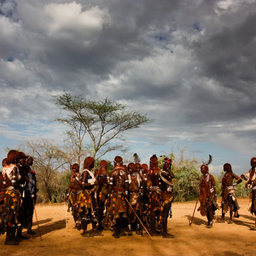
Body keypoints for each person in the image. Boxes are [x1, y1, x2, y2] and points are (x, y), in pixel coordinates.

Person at [2, 150, 22, 245]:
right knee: (12, 215)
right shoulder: (14, 168)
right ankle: (9, 238)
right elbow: (13, 183)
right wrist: (22, 186)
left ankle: (10, 236)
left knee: (9, 214)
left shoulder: (4, 168)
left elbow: (4, 182)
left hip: (7, 194)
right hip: (13, 194)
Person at [77, 156, 98, 236]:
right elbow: (83, 185)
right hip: (86, 195)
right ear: (90, 163)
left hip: (91, 194)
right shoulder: (85, 172)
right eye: (93, 163)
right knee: (86, 212)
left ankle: (94, 229)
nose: (94, 164)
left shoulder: (89, 172)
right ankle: (85, 230)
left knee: (92, 211)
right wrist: (93, 183)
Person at [108, 156, 128, 238]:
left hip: (114, 195)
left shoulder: (112, 173)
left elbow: (110, 185)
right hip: (122, 194)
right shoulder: (125, 173)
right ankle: (120, 231)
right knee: (121, 212)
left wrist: (109, 194)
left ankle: (116, 232)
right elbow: (126, 184)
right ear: (122, 163)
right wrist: (126, 193)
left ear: (114, 163)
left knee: (115, 212)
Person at [198, 161, 218, 228]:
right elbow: (201, 186)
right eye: (201, 169)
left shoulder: (210, 177)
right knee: (205, 208)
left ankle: (211, 221)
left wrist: (214, 194)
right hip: (203, 196)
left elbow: (214, 186)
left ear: (206, 169)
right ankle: (209, 221)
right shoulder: (202, 177)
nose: (202, 170)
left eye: (203, 169)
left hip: (210, 195)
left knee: (209, 208)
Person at [147, 155, 162, 235]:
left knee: (151, 213)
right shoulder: (159, 171)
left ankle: (152, 229)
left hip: (150, 194)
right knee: (156, 212)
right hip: (157, 194)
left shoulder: (149, 171)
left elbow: (148, 185)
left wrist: (151, 188)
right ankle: (154, 229)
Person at [127, 162, 143, 236]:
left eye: (130, 168)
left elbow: (141, 186)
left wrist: (140, 194)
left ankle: (138, 227)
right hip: (129, 196)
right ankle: (129, 228)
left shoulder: (138, 176)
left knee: (137, 212)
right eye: (128, 168)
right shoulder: (127, 176)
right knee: (129, 213)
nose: (129, 170)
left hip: (137, 195)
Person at [160, 157, 174, 237]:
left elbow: (172, 175)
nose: (168, 165)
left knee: (166, 214)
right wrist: (167, 169)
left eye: (169, 164)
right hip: (165, 195)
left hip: (169, 195)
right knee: (165, 214)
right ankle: (164, 233)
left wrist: (168, 169)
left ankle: (164, 231)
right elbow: (171, 176)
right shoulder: (162, 173)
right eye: (167, 164)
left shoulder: (167, 172)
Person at [94, 160, 109, 230]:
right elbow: (109, 183)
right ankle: (105, 223)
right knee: (107, 207)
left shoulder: (98, 173)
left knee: (100, 207)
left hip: (99, 192)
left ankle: (100, 223)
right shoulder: (106, 173)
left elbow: (96, 182)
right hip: (105, 191)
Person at [25, 156, 37, 235]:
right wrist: (31, 192)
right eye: (31, 161)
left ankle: (29, 228)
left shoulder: (30, 171)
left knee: (30, 212)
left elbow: (33, 182)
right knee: (26, 211)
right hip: (27, 194)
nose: (32, 163)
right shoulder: (25, 171)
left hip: (31, 194)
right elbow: (29, 183)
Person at [245, 157, 256, 229]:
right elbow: (248, 180)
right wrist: (246, 181)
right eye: (253, 163)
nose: (254, 164)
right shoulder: (250, 171)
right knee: (254, 207)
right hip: (254, 191)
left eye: (255, 163)